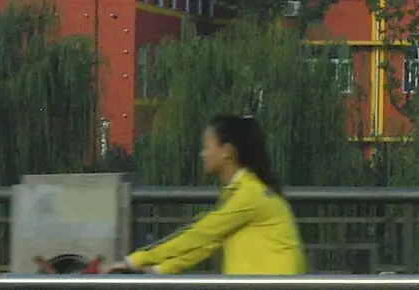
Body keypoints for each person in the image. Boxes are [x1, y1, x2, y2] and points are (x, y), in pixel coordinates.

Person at [110, 114, 306, 275]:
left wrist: (134, 261)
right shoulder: (240, 192)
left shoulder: (250, 195)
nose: (202, 154)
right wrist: (158, 270)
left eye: (207, 146)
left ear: (226, 151)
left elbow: (201, 234)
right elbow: (207, 244)